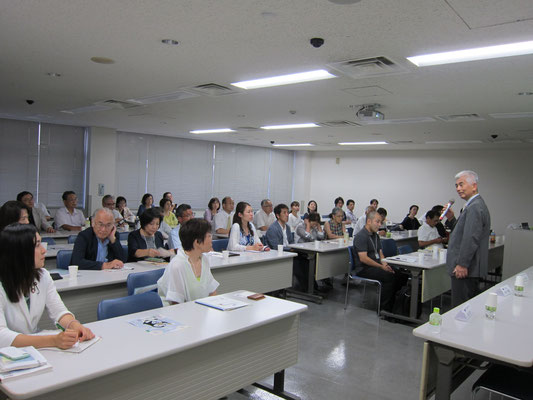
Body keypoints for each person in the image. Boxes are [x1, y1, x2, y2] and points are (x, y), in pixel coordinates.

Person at [0, 223, 94, 348]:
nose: (44, 250)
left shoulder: (42, 275)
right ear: (20, 252)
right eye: (37, 245)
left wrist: (74, 324)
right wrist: (53, 340)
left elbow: (59, 311)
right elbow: (2, 336)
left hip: (32, 350)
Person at [447, 170, 490, 307]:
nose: (458, 189)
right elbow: (464, 232)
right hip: (468, 268)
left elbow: (471, 238)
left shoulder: (475, 207)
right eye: (456, 186)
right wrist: (451, 219)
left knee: (461, 308)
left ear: (474, 186)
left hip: (466, 269)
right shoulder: (474, 205)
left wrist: (462, 264)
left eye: (461, 184)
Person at [353, 211, 407, 312]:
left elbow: (380, 253)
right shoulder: (361, 236)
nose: (379, 225)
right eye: (377, 222)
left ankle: (395, 303)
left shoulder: (375, 236)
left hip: (376, 266)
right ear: (369, 221)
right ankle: (384, 309)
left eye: (380, 222)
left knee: (400, 275)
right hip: (364, 268)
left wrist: (385, 264)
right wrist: (381, 267)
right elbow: (363, 258)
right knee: (388, 277)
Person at [157, 218, 219, 305]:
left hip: (198, 311)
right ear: (197, 242)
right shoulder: (177, 265)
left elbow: (212, 291)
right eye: (209, 236)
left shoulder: (203, 259)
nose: (211, 239)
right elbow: (176, 303)